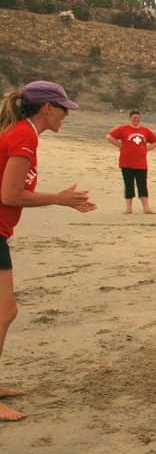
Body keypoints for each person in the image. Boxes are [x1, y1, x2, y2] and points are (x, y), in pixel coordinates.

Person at [0, 81, 97, 421]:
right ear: (46, 109)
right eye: (63, 108)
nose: (66, 115)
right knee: (5, 311)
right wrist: (60, 199)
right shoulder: (24, 137)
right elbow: (10, 195)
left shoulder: (20, 132)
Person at [106, 110, 156, 214]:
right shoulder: (123, 129)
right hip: (126, 162)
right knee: (129, 184)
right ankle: (128, 208)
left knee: (142, 185)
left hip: (141, 164)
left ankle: (146, 207)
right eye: (134, 118)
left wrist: (147, 149)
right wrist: (120, 145)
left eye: (138, 118)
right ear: (130, 118)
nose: (136, 120)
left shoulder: (145, 130)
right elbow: (109, 136)